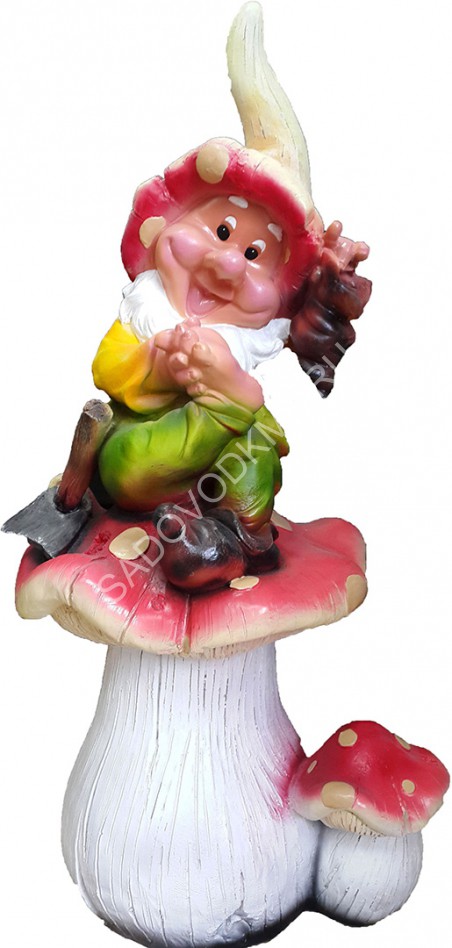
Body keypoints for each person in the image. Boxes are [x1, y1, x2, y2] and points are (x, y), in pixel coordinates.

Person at [91, 4, 371, 591]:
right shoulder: (147, 313)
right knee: (130, 463)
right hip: (142, 442)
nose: (225, 264)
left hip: (224, 461)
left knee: (257, 451)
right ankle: (228, 421)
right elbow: (107, 370)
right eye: (219, 231)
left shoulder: (248, 338)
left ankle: (230, 537)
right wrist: (159, 362)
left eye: (254, 254)